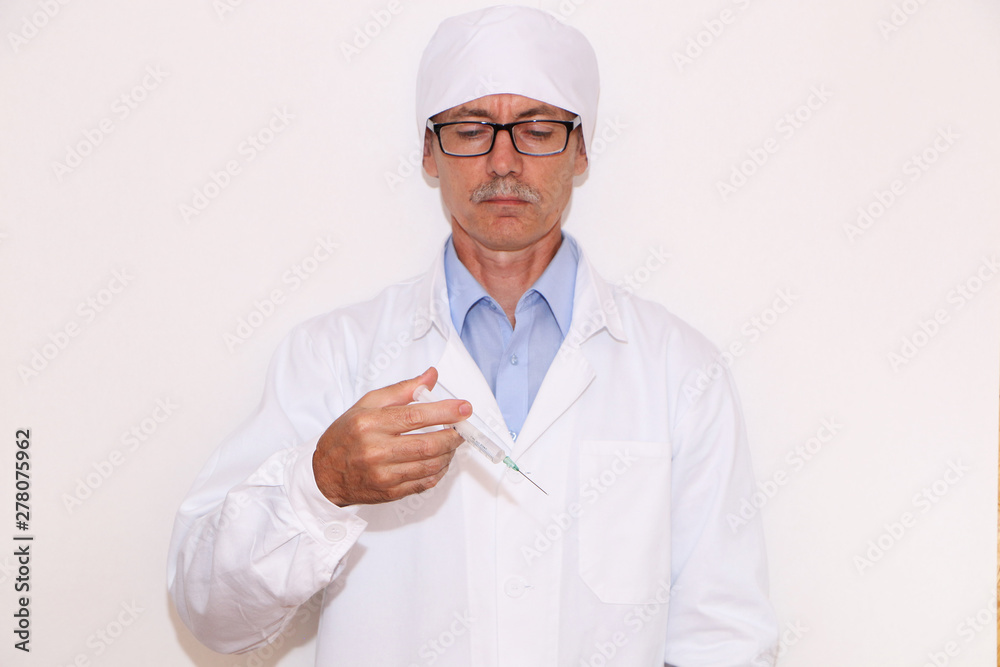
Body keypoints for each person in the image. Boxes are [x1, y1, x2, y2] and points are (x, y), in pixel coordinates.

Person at [168, 6, 779, 666]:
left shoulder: (679, 372)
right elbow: (212, 617)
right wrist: (321, 483)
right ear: (430, 151)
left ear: (580, 149)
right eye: (470, 129)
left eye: (538, 128)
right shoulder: (332, 357)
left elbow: (725, 638)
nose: (503, 161)